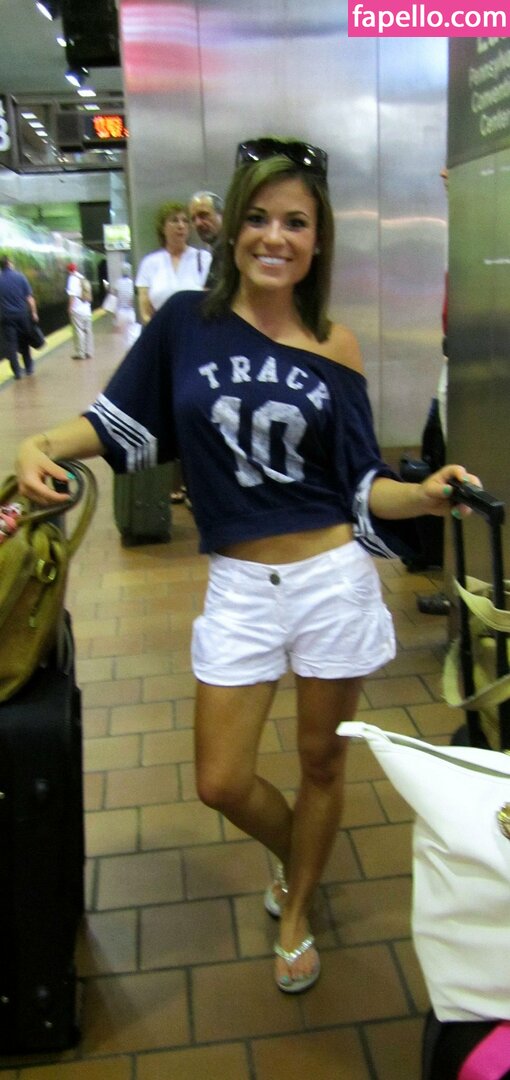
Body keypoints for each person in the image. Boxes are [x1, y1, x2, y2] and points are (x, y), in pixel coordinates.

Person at [15, 137, 480, 995]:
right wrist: (41, 442)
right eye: (259, 218)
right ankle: (296, 854)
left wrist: (420, 495)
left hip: (332, 580)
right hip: (239, 587)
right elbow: (118, 423)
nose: (275, 237)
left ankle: (298, 908)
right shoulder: (185, 324)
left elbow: (359, 481)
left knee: (321, 763)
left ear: (318, 238)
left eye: (295, 222)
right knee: (221, 781)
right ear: (231, 230)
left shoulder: (334, 344)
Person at [135, 201, 212, 325]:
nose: (181, 226)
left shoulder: (203, 258)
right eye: (174, 220)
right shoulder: (149, 263)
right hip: (161, 331)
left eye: (185, 221)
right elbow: (145, 312)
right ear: (162, 228)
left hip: (196, 329)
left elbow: (211, 302)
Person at [0, 254, 39, 379]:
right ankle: (29, 368)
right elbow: (29, 298)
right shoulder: (20, 277)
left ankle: (17, 372)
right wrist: (34, 313)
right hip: (22, 315)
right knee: (24, 341)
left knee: (11, 344)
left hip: (6, 317)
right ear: (9, 263)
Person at [189, 190, 224, 288]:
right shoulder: (216, 254)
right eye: (193, 219)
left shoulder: (237, 251)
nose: (198, 223)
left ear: (223, 215)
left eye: (203, 215)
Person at [66, 262, 94, 361]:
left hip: (77, 309)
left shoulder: (71, 279)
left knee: (79, 331)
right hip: (87, 308)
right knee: (88, 331)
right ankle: (89, 352)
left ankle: (81, 353)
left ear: (69, 270)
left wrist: (69, 308)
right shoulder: (82, 278)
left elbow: (72, 295)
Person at [113, 262, 137, 351]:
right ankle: (131, 350)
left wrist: (114, 313)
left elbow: (115, 298)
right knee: (132, 333)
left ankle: (125, 350)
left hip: (120, 311)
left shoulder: (118, 283)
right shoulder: (132, 283)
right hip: (131, 311)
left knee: (122, 334)